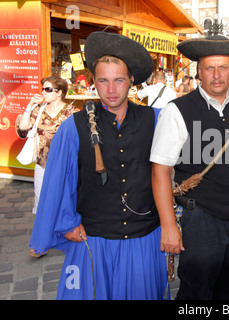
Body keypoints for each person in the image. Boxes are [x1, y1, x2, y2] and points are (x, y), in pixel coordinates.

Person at [28, 31, 168, 300]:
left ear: (131, 82)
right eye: (103, 81)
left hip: (143, 238)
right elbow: (59, 181)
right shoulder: (74, 127)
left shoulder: (156, 119)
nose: (111, 89)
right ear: (94, 83)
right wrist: (67, 222)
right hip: (93, 239)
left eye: (118, 80)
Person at [151, 34, 229, 300]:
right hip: (201, 219)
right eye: (209, 68)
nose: (217, 75)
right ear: (199, 72)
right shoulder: (176, 110)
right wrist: (168, 225)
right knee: (196, 292)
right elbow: (160, 171)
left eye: (223, 67)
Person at [17, 76, 78, 257]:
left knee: (65, 198)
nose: (43, 92)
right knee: (41, 200)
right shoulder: (39, 109)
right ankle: (42, 239)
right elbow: (23, 127)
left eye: (48, 89)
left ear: (60, 92)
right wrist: (29, 105)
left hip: (64, 164)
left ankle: (65, 232)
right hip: (43, 162)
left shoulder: (71, 111)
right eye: (43, 89)